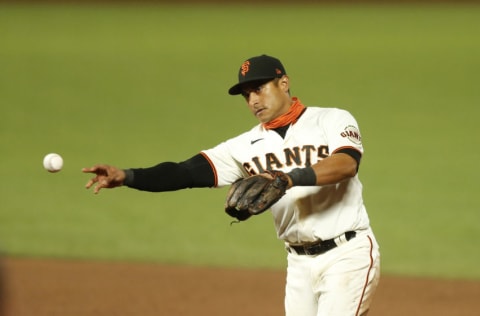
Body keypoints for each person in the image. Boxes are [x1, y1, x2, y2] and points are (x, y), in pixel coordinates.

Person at [83, 54, 380, 316]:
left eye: (259, 89)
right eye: (246, 95)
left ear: (284, 83)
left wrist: (289, 178)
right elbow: (184, 172)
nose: (253, 101)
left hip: (346, 252)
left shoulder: (331, 119)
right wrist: (127, 176)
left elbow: (346, 164)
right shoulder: (243, 146)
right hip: (298, 264)